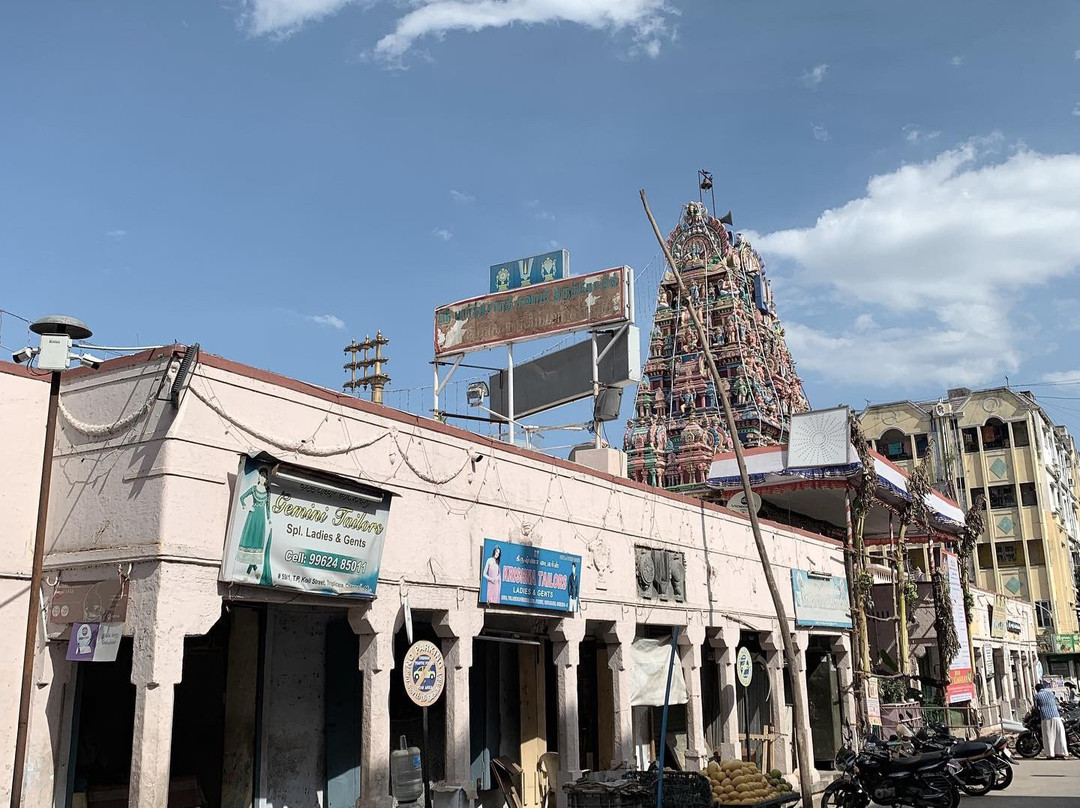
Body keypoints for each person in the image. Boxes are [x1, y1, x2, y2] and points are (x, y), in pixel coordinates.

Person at [236, 467, 272, 578]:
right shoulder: (253, 488)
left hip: (261, 518)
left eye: (265, 477)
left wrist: (269, 519)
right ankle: (251, 571)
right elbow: (242, 498)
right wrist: (246, 507)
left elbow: (268, 508)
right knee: (250, 540)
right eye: (261, 475)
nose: (262, 478)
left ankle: (250, 571)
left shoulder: (267, 492)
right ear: (258, 476)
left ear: (266, 479)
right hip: (252, 516)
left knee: (257, 543)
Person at [1035, 682, 1069, 759]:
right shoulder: (1051, 693)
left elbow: (1036, 708)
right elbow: (1057, 704)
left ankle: (1050, 754)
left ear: (1037, 689)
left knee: (1048, 736)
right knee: (1059, 735)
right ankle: (1062, 753)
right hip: (1056, 716)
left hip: (1046, 717)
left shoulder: (1037, 695)